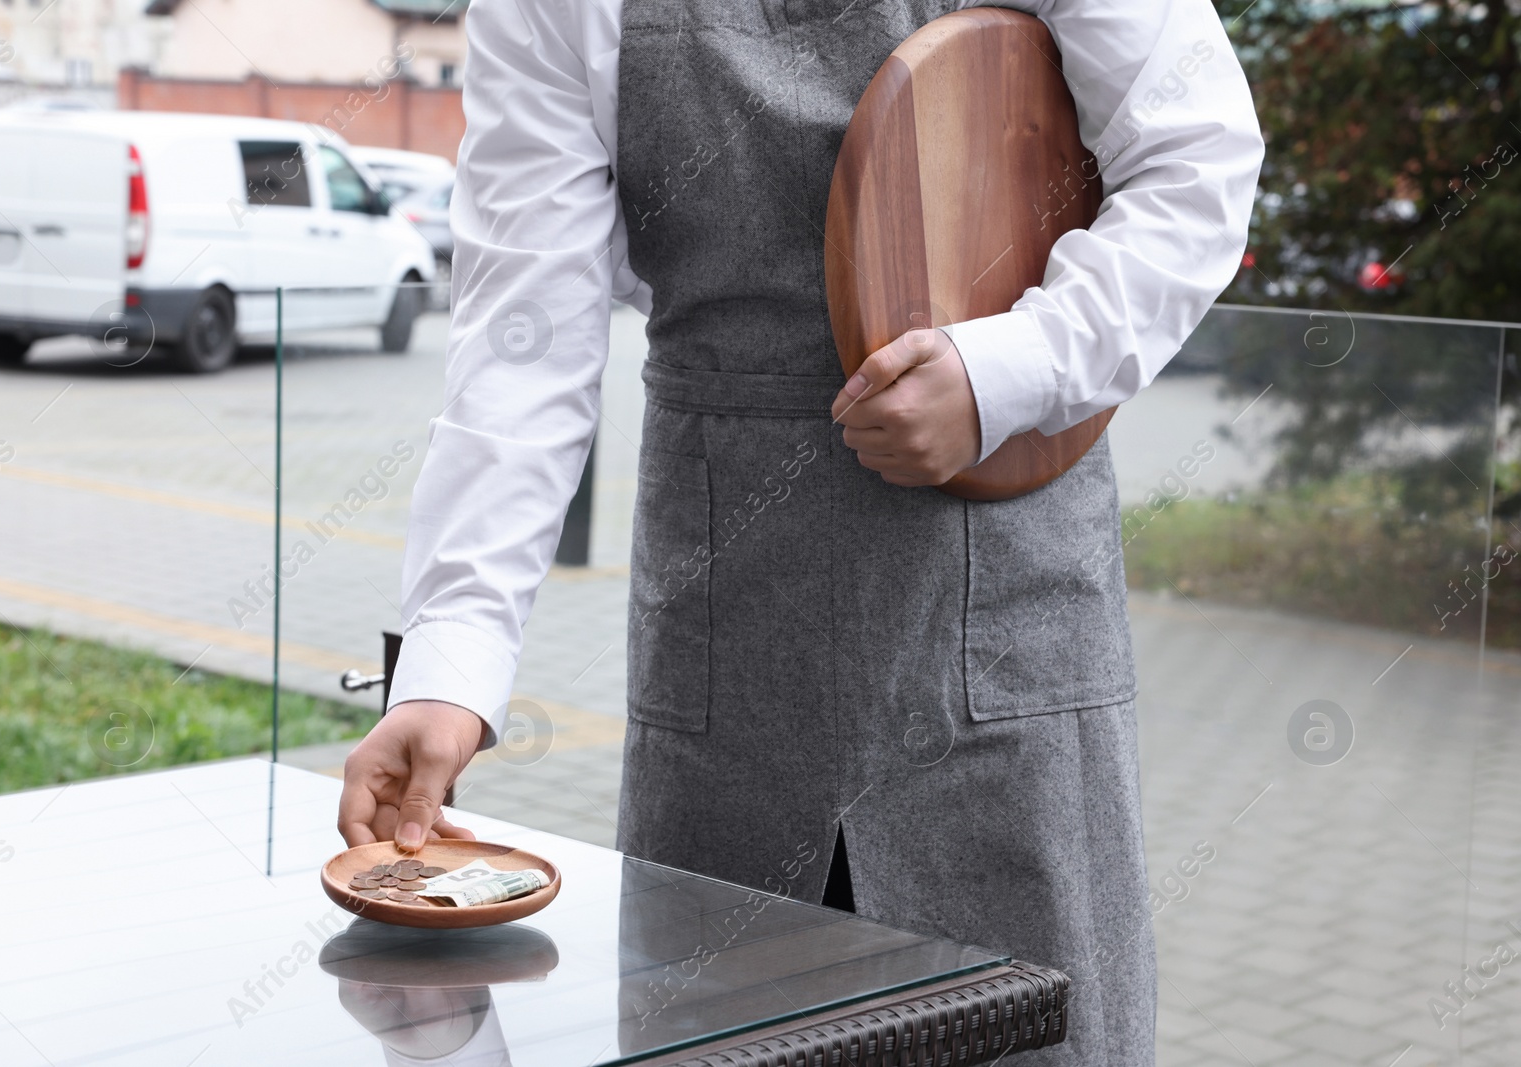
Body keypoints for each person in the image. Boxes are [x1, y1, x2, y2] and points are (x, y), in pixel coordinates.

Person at [339, 0, 1262, 1062]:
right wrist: (451, 665)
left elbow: (1196, 154)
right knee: (719, 1027)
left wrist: (1010, 367)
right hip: (727, 639)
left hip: (1000, 608)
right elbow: (522, 333)